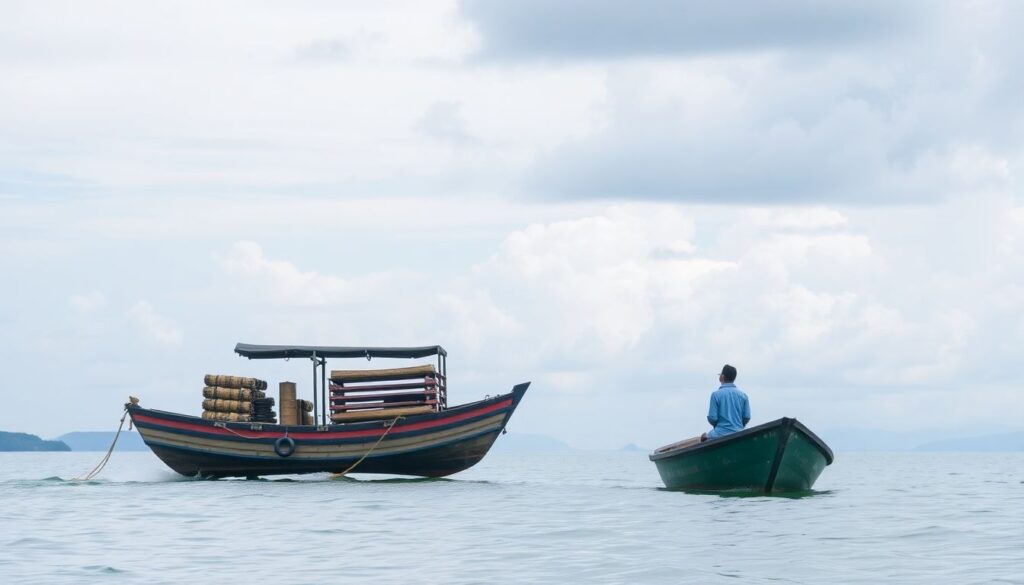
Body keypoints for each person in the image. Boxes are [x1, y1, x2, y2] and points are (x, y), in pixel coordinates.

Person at [701, 364, 750, 442]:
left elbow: (712, 418)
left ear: (722, 377)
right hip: (739, 433)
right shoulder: (743, 396)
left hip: (719, 434)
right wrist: (738, 426)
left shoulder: (715, 395)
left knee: (703, 437)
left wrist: (718, 426)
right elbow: (747, 417)